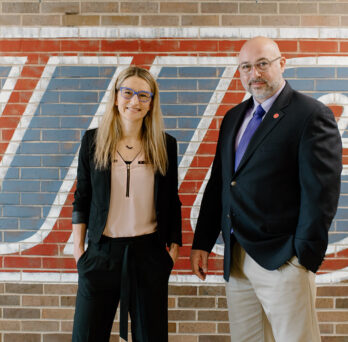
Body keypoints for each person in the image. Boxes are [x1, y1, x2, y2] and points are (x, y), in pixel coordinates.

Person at [190, 36, 342, 342]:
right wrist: (202, 242)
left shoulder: (310, 115)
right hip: (237, 259)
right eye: (246, 67)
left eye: (262, 64)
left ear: (281, 64)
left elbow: (321, 194)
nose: (254, 73)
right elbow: (221, 183)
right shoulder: (233, 117)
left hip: (284, 259)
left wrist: (303, 258)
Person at [71, 66, 182, 342]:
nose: (135, 101)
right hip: (101, 254)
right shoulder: (93, 142)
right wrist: (79, 252)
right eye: (128, 93)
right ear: (116, 96)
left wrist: (173, 253)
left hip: (149, 254)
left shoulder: (165, 144)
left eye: (144, 95)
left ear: (152, 102)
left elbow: (172, 200)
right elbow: (82, 196)